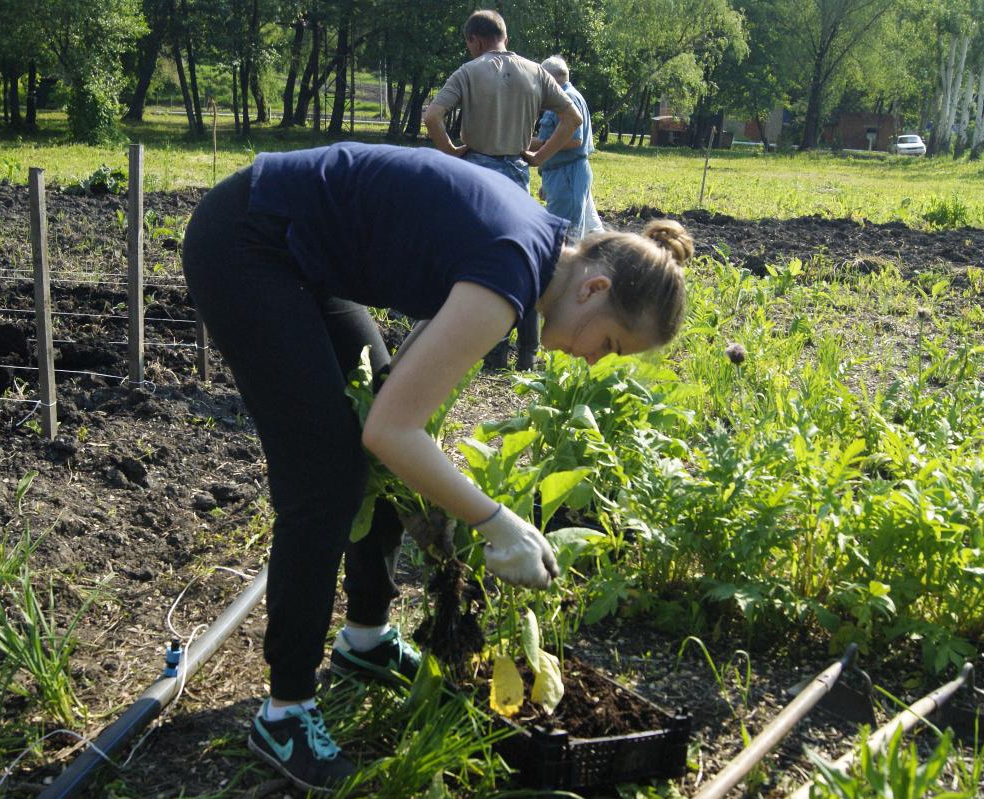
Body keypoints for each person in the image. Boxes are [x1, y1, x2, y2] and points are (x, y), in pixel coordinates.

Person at [182, 141, 691, 794]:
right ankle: (285, 711)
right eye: (610, 345)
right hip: (247, 241)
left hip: (293, 246)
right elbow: (391, 428)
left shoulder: (532, 251)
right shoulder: (513, 270)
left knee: (374, 424)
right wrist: (493, 520)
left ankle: (365, 635)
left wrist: (424, 454)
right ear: (594, 288)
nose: (596, 361)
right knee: (327, 475)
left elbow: (397, 397)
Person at [423, 9, 583, 371]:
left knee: (481, 261)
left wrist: (450, 150)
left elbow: (433, 116)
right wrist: (539, 156)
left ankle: (491, 349)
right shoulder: (537, 72)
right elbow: (571, 119)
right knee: (520, 255)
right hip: (515, 173)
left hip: (477, 174)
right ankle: (526, 351)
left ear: (475, 40)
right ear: (504, 36)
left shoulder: (469, 71)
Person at [532, 55, 604, 243]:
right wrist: (548, 180)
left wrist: (530, 144)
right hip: (563, 175)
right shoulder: (561, 99)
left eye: (541, 79)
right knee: (589, 232)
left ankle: (565, 272)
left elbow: (574, 140)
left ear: (549, 78)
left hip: (567, 176)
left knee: (564, 238)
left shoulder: (568, 98)